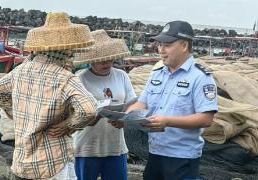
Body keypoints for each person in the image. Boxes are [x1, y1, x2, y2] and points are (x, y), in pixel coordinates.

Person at [0, 12, 98, 179]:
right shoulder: (65, 77)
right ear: (66, 50)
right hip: (52, 163)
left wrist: (15, 113)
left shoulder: (20, 71)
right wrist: (68, 125)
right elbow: (89, 110)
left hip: (21, 162)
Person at [126, 21, 218, 180]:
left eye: (167, 45)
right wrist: (125, 117)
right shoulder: (157, 74)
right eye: (160, 45)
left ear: (184, 45)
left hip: (182, 157)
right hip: (155, 152)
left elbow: (206, 119)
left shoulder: (201, 77)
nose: (161, 50)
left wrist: (167, 121)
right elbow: (142, 103)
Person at [72, 29, 136, 180]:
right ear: (91, 59)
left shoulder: (121, 75)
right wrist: (93, 116)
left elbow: (133, 103)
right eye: (100, 59)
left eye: (109, 58)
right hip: (86, 148)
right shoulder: (80, 79)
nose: (106, 62)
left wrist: (125, 118)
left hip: (115, 147)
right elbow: (73, 113)